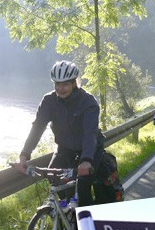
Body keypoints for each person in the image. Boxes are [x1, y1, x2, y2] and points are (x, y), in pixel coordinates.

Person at [13, 60, 105, 207]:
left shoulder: (88, 102)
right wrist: (24, 155)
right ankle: (66, 212)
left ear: (74, 83)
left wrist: (86, 160)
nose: (60, 89)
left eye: (65, 85)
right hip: (65, 148)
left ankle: (84, 221)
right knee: (53, 177)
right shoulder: (49, 101)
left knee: (82, 188)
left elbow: (90, 133)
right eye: (57, 84)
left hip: (90, 150)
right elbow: (38, 127)